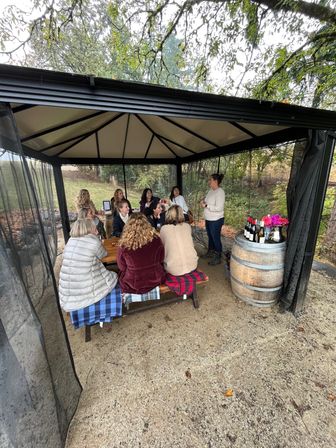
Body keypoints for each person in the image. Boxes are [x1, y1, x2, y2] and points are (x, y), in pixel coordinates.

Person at [59, 217, 118, 312]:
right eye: (95, 229)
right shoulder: (93, 242)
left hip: (67, 295)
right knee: (114, 275)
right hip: (86, 292)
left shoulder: (70, 242)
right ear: (88, 230)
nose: (97, 232)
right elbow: (103, 254)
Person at [117, 213, 166, 293]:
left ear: (128, 226)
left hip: (134, 283)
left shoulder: (123, 246)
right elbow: (161, 259)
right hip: (156, 279)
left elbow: (122, 267)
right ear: (147, 225)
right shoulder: (156, 240)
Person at [160, 205, 198, 275]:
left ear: (168, 214)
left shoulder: (164, 229)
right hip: (193, 264)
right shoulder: (187, 226)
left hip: (173, 269)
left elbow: (161, 248)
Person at [200, 173, 225, 265]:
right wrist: (203, 202)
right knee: (210, 237)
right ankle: (210, 252)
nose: (209, 181)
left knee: (215, 238)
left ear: (215, 181)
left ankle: (218, 256)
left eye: (210, 180)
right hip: (209, 219)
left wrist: (206, 205)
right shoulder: (210, 191)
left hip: (216, 220)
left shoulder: (220, 192)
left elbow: (219, 208)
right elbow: (207, 202)